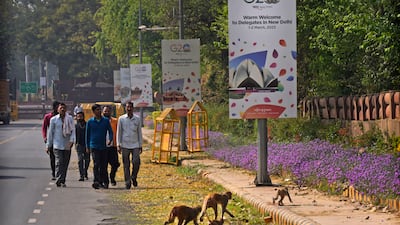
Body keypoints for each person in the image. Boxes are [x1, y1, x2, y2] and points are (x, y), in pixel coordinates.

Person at [46, 103, 75, 187]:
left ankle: (62, 180)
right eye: (61, 108)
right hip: (57, 145)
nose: (62, 109)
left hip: (67, 145)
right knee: (59, 162)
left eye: (64, 108)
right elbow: (50, 133)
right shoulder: (53, 120)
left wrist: (72, 140)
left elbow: (73, 131)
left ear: (66, 109)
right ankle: (59, 178)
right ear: (58, 110)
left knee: (65, 163)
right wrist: (48, 145)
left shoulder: (69, 119)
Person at [86, 104, 113, 189]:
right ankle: (96, 181)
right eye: (97, 110)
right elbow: (87, 135)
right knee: (96, 164)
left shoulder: (105, 121)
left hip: (103, 146)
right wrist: (87, 146)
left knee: (103, 165)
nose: (99, 111)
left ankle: (105, 181)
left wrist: (110, 139)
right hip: (94, 146)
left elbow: (110, 131)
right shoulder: (90, 122)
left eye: (99, 109)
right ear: (93, 111)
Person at [116, 102, 143, 189]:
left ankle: (133, 177)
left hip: (135, 144)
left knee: (136, 162)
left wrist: (140, 145)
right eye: (127, 107)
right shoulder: (121, 119)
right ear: (125, 108)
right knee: (126, 164)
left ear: (133, 108)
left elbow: (139, 132)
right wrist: (118, 144)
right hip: (124, 144)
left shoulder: (137, 119)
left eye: (130, 107)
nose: (129, 109)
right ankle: (127, 182)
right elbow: (119, 132)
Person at [42, 100, 60, 180]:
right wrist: (45, 137)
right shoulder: (48, 117)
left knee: (60, 158)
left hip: (60, 139)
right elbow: (44, 128)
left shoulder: (63, 116)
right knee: (52, 157)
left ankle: (58, 172)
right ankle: (53, 173)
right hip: (51, 139)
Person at [102, 105, 120, 186]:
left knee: (115, 164)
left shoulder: (115, 121)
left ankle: (112, 177)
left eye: (108, 111)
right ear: (102, 112)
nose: (106, 112)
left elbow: (119, 133)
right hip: (103, 146)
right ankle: (105, 181)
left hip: (113, 146)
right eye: (105, 111)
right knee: (103, 165)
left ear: (111, 112)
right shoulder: (100, 121)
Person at [75, 111, 90, 181]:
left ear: (83, 117)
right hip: (79, 145)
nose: (79, 118)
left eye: (80, 116)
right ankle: (81, 175)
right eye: (78, 117)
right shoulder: (75, 126)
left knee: (87, 160)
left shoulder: (87, 125)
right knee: (80, 160)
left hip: (87, 144)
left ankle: (85, 171)